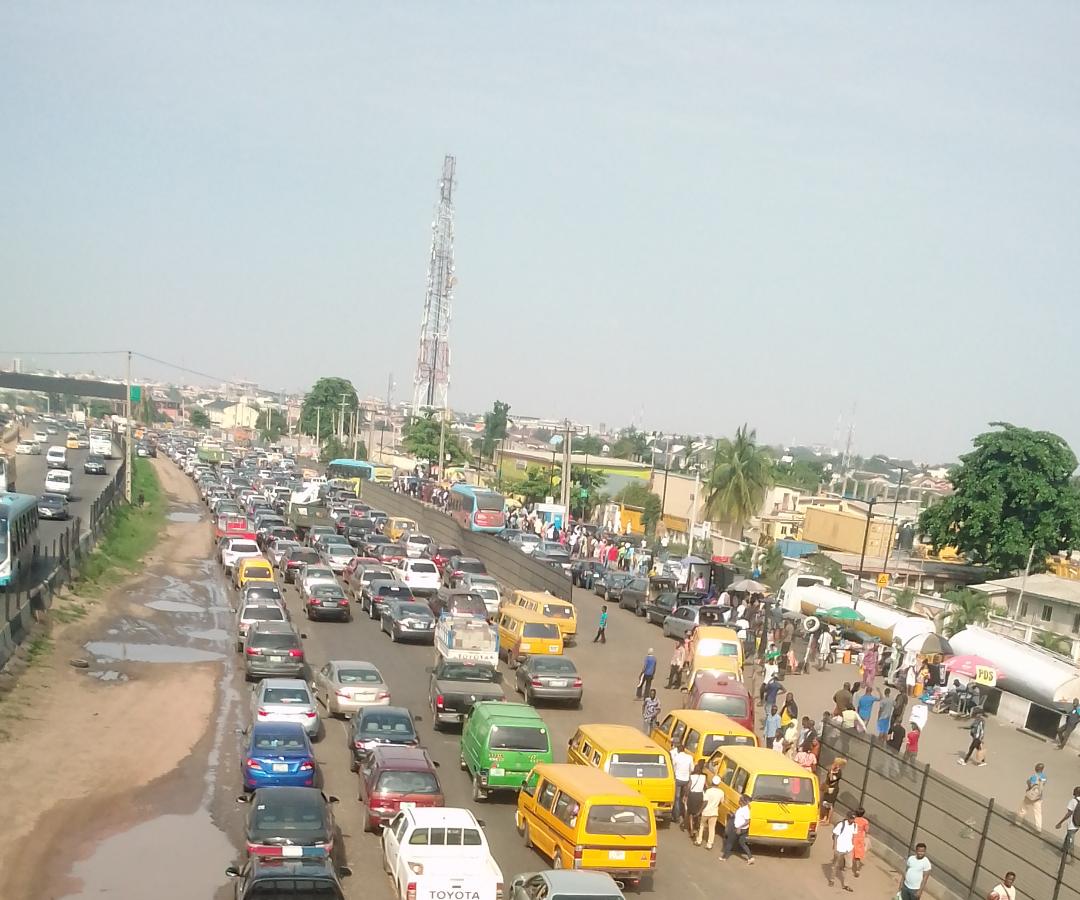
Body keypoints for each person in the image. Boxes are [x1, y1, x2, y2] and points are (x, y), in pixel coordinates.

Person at [720, 794, 754, 864]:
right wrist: (732, 814)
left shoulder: (746, 810)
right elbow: (738, 816)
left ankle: (724, 857)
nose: (739, 801)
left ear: (743, 802)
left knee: (729, 842)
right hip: (741, 829)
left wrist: (739, 827)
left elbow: (748, 821)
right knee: (742, 843)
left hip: (739, 829)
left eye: (740, 800)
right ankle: (750, 857)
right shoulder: (741, 808)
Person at [829, 809, 857, 891]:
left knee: (849, 866)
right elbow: (836, 836)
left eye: (853, 818)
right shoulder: (841, 825)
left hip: (848, 848)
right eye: (851, 818)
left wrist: (852, 845)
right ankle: (832, 879)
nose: (852, 820)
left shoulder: (855, 825)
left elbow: (853, 836)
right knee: (835, 865)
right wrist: (835, 846)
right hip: (840, 848)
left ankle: (846, 884)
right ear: (847, 817)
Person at [1017, 763, 1046, 831]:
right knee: (1038, 813)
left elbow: (1031, 786)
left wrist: (1028, 782)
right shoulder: (1044, 777)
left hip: (1030, 796)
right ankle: (1039, 828)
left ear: (1036, 768)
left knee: (1023, 809)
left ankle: (1018, 822)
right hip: (1038, 797)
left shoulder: (1034, 777)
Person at [697, 774, 724, 849]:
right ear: (719, 783)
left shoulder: (708, 791)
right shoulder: (721, 792)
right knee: (712, 828)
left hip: (706, 811)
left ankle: (699, 840)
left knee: (702, 825)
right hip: (714, 812)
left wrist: (700, 811)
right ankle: (709, 844)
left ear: (712, 782)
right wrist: (716, 807)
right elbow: (721, 803)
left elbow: (705, 802)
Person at [671, 743, 693, 826]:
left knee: (677, 798)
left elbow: (673, 768)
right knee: (685, 798)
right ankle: (685, 815)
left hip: (678, 779)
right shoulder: (689, 757)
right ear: (684, 750)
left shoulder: (676, 757)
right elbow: (692, 768)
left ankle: (676, 817)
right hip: (686, 780)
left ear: (678, 750)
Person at [1055, 785, 1080, 860]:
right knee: (1068, 837)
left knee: (1070, 840)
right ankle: (1063, 849)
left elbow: (1069, 814)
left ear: (1075, 793)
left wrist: (1060, 822)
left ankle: (1072, 857)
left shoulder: (1073, 801)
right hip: (1077, 824)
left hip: (1072, 824)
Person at [686, 760, 707, 838]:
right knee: (698, 812)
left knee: (690, 813)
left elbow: (688, 787)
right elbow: (705, 786)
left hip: (692, 795)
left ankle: (691, 830)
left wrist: (686, 795)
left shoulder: (691, 777)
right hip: (700, 795)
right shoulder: (704, 777)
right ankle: (696, 827)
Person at [821, 758, 845, 823]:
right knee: (825, 803)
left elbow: (832, 779)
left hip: (833, 789)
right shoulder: (831, 770)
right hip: (827, 788)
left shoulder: (839, 772)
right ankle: (824, 817)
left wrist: (831, 772)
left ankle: (828, 820)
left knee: (830, 804)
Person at [851, 806, 869, 877]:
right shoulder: (865, 821)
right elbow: (867, 830)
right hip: (860, 839)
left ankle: (844, 866)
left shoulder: (853, 820)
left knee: (848, 852)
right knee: (858, 856)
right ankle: (857, 870)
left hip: (852, 837)